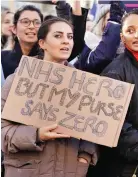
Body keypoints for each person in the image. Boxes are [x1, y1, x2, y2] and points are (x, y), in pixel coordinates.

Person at [1, 17, 98, 177]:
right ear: (42, 43)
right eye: (58, 36)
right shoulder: (18, 80)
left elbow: (95, 128)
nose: (66, 41)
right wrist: (37, 135)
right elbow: (2, 131)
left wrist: (84, 157)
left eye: (70, 37)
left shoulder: (84, 85)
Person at [88, 8, 138, 177]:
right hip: (128, 166)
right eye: (130, 31)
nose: (137, 35)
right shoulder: (114, 71)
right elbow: (113, 124)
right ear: (122, 37)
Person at [1, 3, 87, 79]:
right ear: (14, 29)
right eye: (25, 22)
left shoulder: (54, 54)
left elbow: (76, 35)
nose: (31, 26)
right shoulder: (2, 58)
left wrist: (63, 5)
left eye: (37, 22)